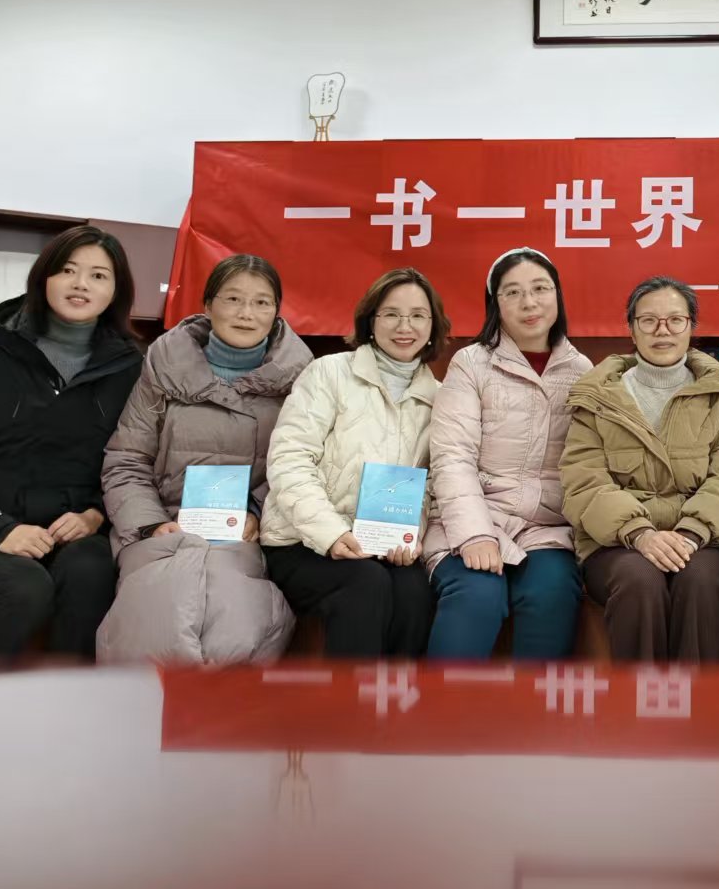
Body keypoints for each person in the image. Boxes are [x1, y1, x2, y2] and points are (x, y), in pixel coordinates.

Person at [0, 225, 144, 659]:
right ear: (43, 278)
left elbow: (136, 457)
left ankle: (63, 694)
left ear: (116, 291)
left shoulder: (131, 369)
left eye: (98, 275)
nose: (80, 284)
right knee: (24, 589)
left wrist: (95, 513)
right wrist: (0, 528)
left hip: (74, 534)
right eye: (67, 270)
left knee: (93, 574)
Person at [97, 254, 311, 663]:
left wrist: (258, 513)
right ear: (208, 305)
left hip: (246, 534)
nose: (246, 313)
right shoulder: (163, 367)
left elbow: (302, 467)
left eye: (261, 302)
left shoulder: (301, 380)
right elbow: (126, 459)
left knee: (232, 627)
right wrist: (150, 523)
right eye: (233, 299)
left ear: (276, 313)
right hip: (163, 527)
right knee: (158, 620)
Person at [561, 277, 719, 661]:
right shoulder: (596, 395)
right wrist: (640, 534)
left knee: (699, 581)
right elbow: (584, 480)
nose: (662, 330)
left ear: (691, 326)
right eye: (648, 320)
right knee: (639, 581)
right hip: (617, 542)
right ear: (631, 328)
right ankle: (641, 697)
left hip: (704, 538)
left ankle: (697, 695)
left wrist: (690, 534)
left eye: (675, 320)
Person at [262, 268, 449, 658]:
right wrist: (331, 534)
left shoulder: (441, 397)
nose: (405, 326)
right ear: (370, 321)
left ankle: (400, 694)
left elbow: (432, 484)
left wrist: (410, 535)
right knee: (365, 582)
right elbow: (290, 458)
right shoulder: (328, 373)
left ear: (433, 326)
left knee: (414, 592)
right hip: (303, 541)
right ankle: (352, 697)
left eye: (418, 315)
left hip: (383, 545)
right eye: (391, 314)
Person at [423, 248, 591, 659]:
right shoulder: (471, 364)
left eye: (540, 289)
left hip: (546, 529)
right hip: (472, 517)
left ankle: (533, 704)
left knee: (552, 593)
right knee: (476, 595)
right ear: (495, 304)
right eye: (512, 292)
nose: (529, 303)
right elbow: (452, 456)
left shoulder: (583, 371)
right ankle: (440, 702)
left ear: (557, 296)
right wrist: (475, 534)